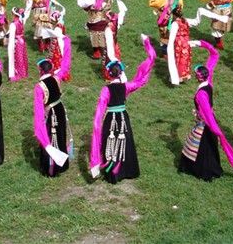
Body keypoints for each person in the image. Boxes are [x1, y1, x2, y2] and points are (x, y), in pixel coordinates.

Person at [89, 35, 156, 184]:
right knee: (126, 140)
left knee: (110, 142)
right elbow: (141, 81)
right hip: (123, 117)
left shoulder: (106, 90)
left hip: (110, 119)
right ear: (120, 73)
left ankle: (112, 172)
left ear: (109, 74)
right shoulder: (126, 86)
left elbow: (99, 111)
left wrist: (97, 125)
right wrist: (149, 50)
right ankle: (128, 170)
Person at [179, 39, 233, 180]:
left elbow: (206, 112)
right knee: (207, 145)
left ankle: (204, 171)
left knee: (201, 146)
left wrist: (204, 120)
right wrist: (200, 43)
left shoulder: (201, 94)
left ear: (198, 78)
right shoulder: (209, 81)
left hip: (205, 122)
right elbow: (214, 55)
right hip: (207, 120)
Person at [33, 35, 73, 177]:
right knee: (61, 134)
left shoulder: (39, 87)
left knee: (51, 136)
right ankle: (63, 163)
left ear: (41, 70)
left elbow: (38, 110)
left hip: (50, 113)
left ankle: (51, 167)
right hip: (60, 109)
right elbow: (65, 65)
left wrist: (39, 127)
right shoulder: (56, 78)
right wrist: (67, 44)